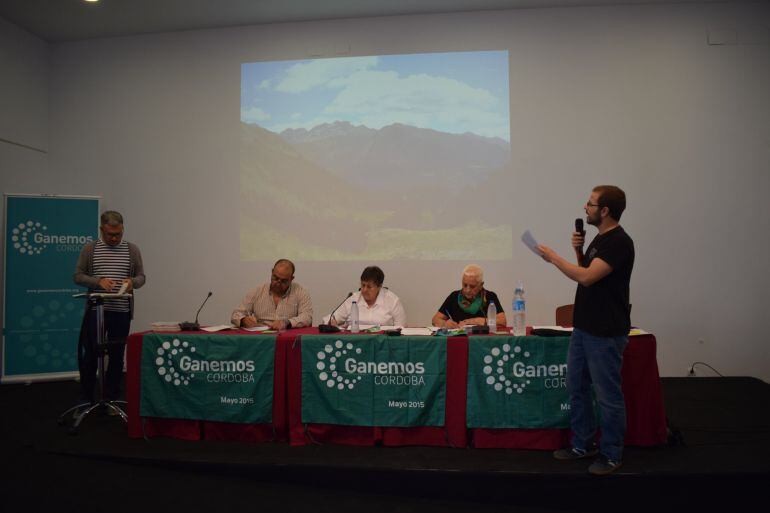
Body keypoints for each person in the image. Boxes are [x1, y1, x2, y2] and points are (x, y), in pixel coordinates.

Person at [536, 185, 634, 476]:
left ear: (604, 211)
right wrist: (578, 251)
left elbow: (588, 278)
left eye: (590, 204)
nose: (585, 207)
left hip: (605, 331)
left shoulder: (619, 242)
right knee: (576, 387)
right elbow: (587, 272)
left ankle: (612, 454)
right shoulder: (599, 240)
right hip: (584, 327)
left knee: (607, 396)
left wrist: (554, 258)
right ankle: (583, 443)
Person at [74, 210, 146, 405]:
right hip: (96, 311)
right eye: (110, 234)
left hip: (121, 311)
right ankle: (86, 398)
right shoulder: (90, 249)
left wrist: (132, 282)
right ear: (101, 229)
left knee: (116, 356)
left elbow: (142, 277)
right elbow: (78, 276)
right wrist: (98, 281)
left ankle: (112, 398)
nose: (114, 238)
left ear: (123, 230)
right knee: (90, 354)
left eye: (118, 234)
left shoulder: (132, 250)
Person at [231, 259, 313, 330]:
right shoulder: (257, 291)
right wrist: (243, 320)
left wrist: (287, 323)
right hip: (261, 336)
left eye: (283, 281)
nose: (278, 283)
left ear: (291, 279)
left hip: (287, 335)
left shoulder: (300, 292)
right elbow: (236, 314)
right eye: (275, 278)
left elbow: (307, 317)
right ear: (272, 272)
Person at [431, 264, 506, 328]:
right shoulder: (454, 296)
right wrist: (444, 324)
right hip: (459, 338)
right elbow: (435, 320)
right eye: (465, 285)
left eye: (472, 286)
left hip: (482, 338)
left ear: (481, 285)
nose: (467, 290)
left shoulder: (490, 297)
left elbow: (502, 322)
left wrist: (474, 321)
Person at [330, 266, 407, 327]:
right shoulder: (353, 299)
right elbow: (332, 319)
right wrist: (332, 322)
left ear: (379, 286)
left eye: (369, 287)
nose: (364, 290)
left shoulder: (393, 301)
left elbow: (401, 328)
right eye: (363, 285)